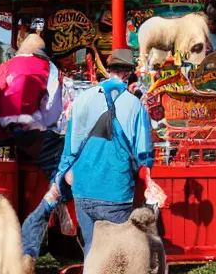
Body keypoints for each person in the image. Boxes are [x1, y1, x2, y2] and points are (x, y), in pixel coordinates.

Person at [53, 49, 154, 256]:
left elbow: (70, 149)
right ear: (128, 74)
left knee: (92, 248)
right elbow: (145, 154)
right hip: (115, 192)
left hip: (83, 191)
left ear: (108, 70)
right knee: (116, 254)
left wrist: (62, 178)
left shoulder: (81, 100)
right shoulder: (136, 106)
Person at [0, 34, 72, 264]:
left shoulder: (0, 68)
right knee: (65, 170)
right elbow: (53, 108)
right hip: (33, 135)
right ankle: (44, 232)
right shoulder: (46, 67)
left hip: (2, 137)